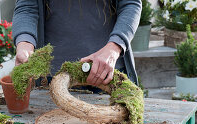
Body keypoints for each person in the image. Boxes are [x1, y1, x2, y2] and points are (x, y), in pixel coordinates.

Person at [12, 0, 142, 86]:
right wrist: (25, 43)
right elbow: (27, 7)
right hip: (52, 77)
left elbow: (130, 4)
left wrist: (114, 48)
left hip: (107, 72)